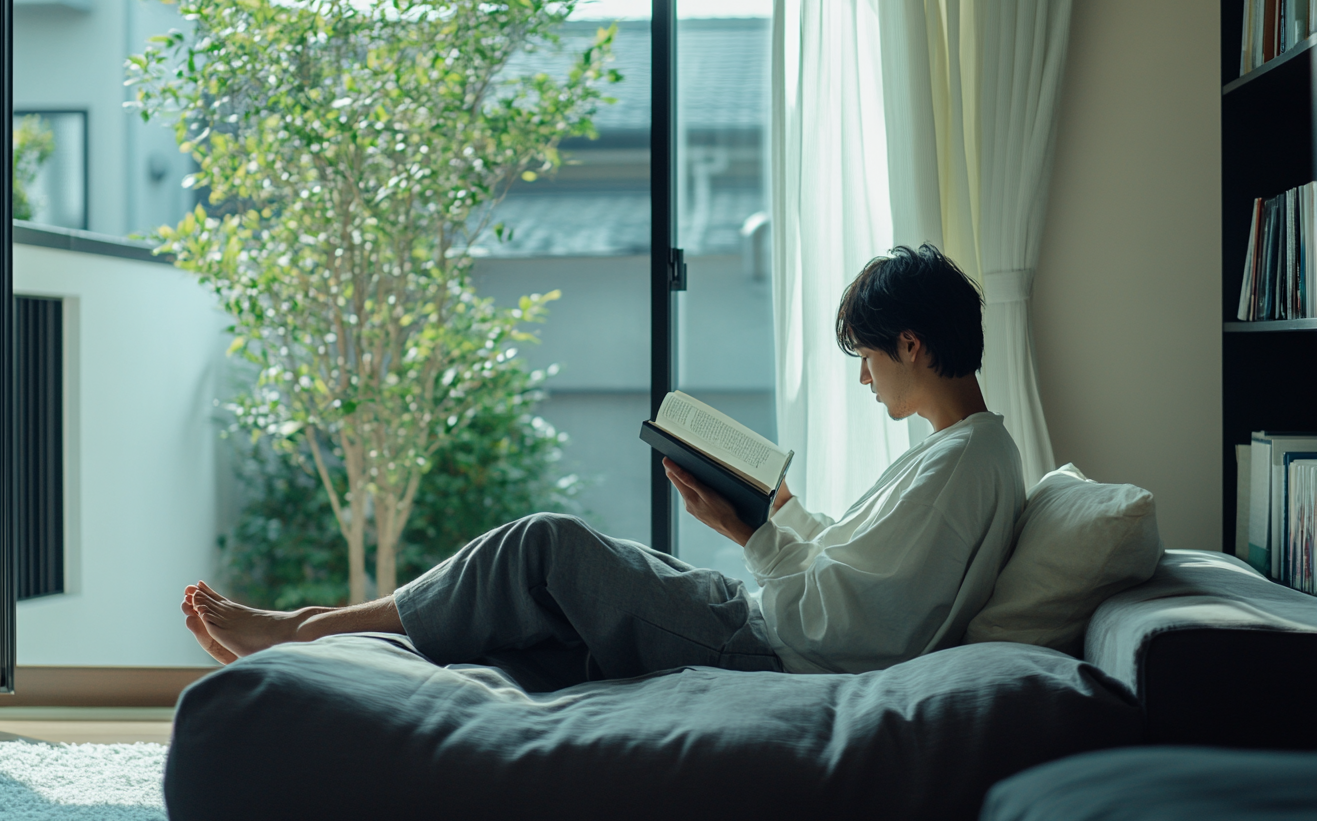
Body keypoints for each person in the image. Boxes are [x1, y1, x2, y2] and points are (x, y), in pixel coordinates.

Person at [183, 243, 1024, 683]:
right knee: (549, 601)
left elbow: (855, 625)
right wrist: (779, 512)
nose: (867, 376)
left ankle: (299, 630)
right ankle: (307, 638)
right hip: (760, 616)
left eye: (869, 358)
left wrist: (755, 533)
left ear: (911, 343)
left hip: (765, 644)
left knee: (545, 548)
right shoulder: (967, 453)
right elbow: (863, 573)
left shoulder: (965, 464)